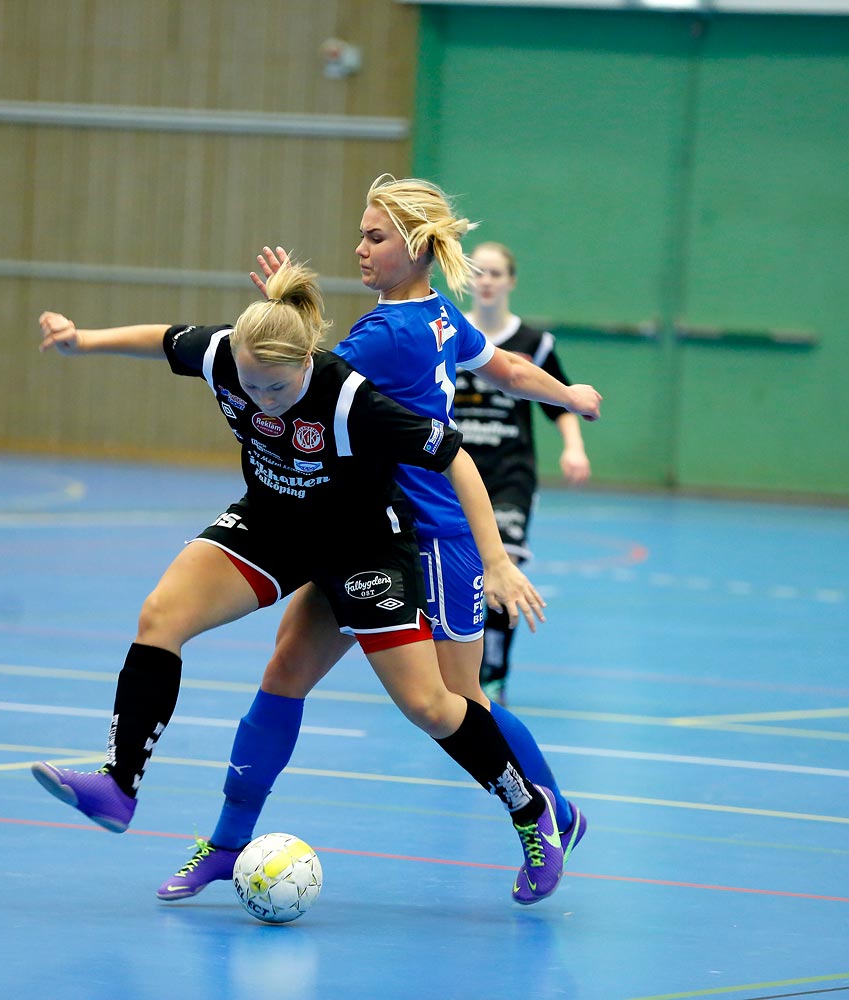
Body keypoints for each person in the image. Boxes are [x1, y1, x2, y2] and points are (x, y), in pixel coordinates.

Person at [30, 259, 568, 903]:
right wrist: (81, 339)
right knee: (163, 618)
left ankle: (531, 814)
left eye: (278, 389)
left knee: (430, 704)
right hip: (273, 523)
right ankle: (124, 787)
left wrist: (497, 559)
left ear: (308, 363)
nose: (263, 400)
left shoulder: (350, 398)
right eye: (251, 387)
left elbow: (454, 457)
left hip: (363, 546)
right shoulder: (229, 356)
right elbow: (163, 338)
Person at [156, 176, 602, 907]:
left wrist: (280, 316)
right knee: (284, 673)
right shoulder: (433, 317)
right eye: (361, 235)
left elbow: (303, 375)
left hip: (430, 536)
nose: (360, 249)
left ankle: (546, 814)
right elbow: (508, 368)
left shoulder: (388, 333)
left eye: (375, 238)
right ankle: (227, 841)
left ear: (419, 247)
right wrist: (568, 395)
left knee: (458, 703)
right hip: (360, 531)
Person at [460, 241, 592, 705]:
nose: (487, 280)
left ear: (510, 281)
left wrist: (573, 448)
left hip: (509, 476)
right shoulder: (451, 334)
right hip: (453, 475)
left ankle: (494, 672)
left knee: (502, 572)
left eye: (497, 273)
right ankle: (458, 669)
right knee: (457, 574)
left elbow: (562, 401)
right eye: (480, 272)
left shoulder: (534, 344)